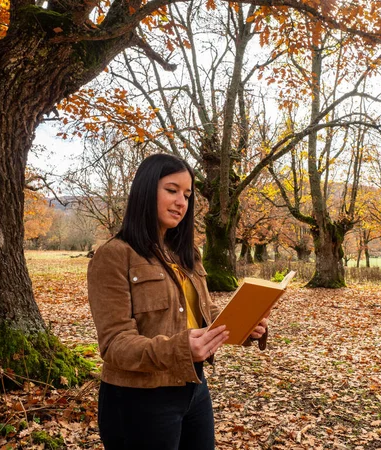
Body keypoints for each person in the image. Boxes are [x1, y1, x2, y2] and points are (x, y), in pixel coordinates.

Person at [87, 153, 268, 449]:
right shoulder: (114, 255)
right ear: (146, 191)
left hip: (194, 389)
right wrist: (180, 348)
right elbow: (114, 344)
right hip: (139, 398)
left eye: (187, 194)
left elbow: (205, 314)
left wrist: (245, 325)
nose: (181, 202)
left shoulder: (187, 254)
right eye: (171, 190)